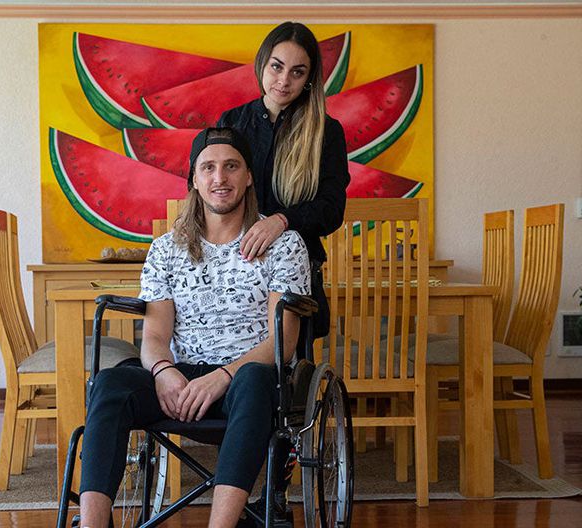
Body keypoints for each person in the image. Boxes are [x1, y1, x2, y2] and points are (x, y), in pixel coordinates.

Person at [77, 127, 311, 528]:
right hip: (181, 383)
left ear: (248, 176)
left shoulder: (284, 245)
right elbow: (155, 336)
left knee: (256, 378)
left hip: (246, 383)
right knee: (111, 383)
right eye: (208, 168)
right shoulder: (166, 249)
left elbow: (283, 343)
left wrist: (222, 377)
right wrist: (163, 372)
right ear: (194, 180)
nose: (220, 178)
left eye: (231, 166)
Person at [218, 21, 350, 521]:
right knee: (237, 377)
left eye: (297, 72)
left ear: (310, 78)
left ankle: (273, 492)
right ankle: (235, 485)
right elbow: (211, 190)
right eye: (276, 67)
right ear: (262, 65)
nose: (283, 81)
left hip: (296, 274)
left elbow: (331, 210)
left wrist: (281, 220)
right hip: (235, 275)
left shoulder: (326, 132)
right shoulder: (233, 123)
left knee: (286, 388)